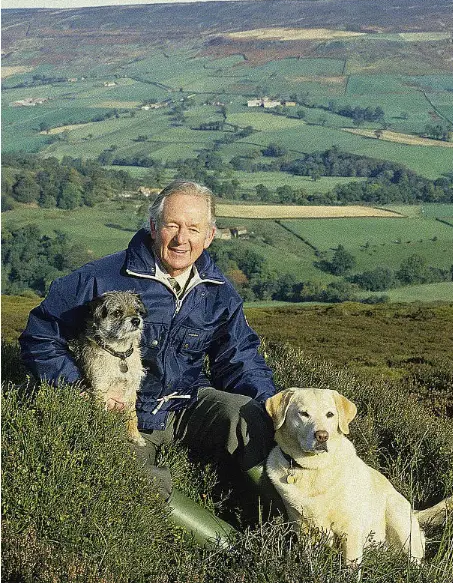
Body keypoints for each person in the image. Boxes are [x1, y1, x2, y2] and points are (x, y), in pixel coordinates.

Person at [20, 180, 280, 546]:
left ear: (210, 236)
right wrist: (77, 390)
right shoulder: (99, 279)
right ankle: (231, 550)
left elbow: (238, 357)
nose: (181, 239)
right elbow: (39, 336)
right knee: (136, 475)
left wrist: (273, 405)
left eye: (193, 229)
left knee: (248, 417)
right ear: (154, 227)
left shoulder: (218, 289)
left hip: (188, 402)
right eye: (172, 226)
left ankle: (295, 532)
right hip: (123, 410)